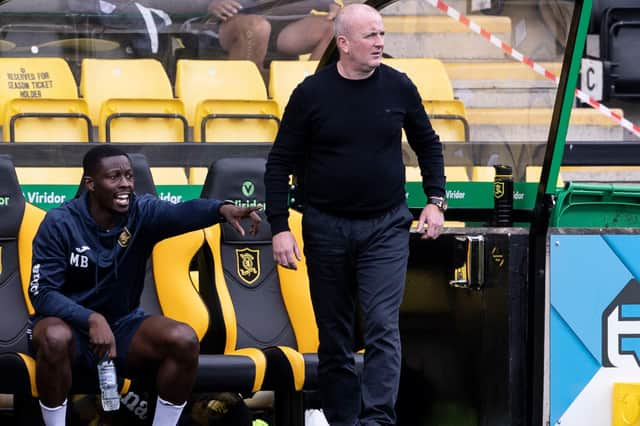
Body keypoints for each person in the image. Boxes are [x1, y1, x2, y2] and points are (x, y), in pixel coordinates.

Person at [264, 4, 446, 425]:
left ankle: (378, 419)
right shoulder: (311, 94)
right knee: (334, 334)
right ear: (343, 44)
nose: (380, 42)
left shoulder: (399, 87)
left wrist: (435, 200)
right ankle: (344, 419)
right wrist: (279, 227)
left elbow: (429, 145)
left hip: (386, 225)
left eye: (381, 34)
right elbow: (279, 163)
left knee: (383, 326)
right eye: (370, 35)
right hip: (325, 226)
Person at [27, 145, 261, 426]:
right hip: (67, 327)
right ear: (90, 183)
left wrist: (221, 209)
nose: (125, 183)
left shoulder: (141, 211)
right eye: (114, 177)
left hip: (121, 326)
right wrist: (90, 318)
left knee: (183, 339)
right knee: (54, 337)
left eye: (128, 175)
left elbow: (181, 213)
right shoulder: (59, 222)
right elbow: (42, 293)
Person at [205, 0, 341, 69]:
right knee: (257, 28)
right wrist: (209, 3)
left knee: (331, 28)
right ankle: (244, 94)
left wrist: (332, 4)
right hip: (232, 21)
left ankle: (312, 94)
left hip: (287, 21)